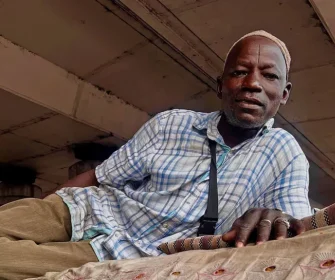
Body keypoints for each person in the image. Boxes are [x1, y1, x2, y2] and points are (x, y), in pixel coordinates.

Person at [0, 30, 312, 279]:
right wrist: (44, 211)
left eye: (269, 76)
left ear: (284, 93)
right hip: (81, 209)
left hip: (118, 251)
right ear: (221, 86)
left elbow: (296, 228)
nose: (252, 84)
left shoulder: (284, 154)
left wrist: (279, 218)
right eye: (240, 72)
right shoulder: (171, 124)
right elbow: (98, 176)